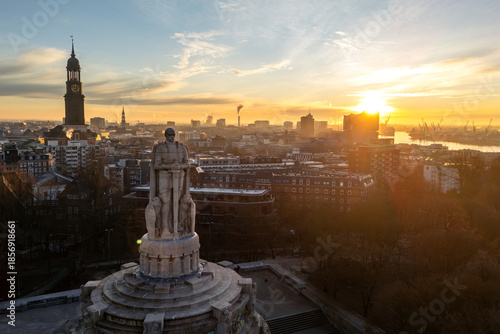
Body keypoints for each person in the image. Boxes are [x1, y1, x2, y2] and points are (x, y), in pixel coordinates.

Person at [149, 128, 189, 238]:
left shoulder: (182, 148)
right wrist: (170, 167)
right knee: (165, 202)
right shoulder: (160, 148)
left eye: (173, 134)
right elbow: (156, 165)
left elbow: (187, 164)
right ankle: (165, 227)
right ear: (165, 135)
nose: (172, 136)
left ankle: (178, 225)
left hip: (179, 177)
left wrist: (179, 167)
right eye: (169, 135)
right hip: (164, 177)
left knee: (177, 201)